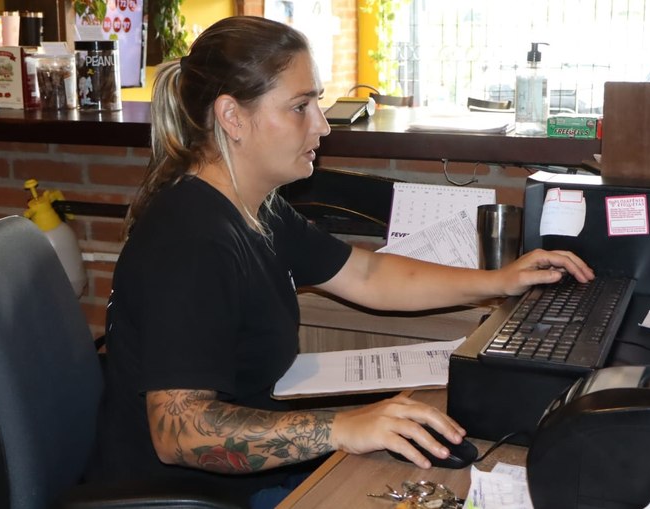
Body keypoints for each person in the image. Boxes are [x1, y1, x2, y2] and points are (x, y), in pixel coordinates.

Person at [92, 15, 594, 509]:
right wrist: (344, 426)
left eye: (318, 102)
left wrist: (501, 280)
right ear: (232, 117)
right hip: (202, 496)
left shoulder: (256, 209)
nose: (321, 125)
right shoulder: (192, 241)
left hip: (252, 480)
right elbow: (180, 433)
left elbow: (368, 274)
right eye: (300, 107)